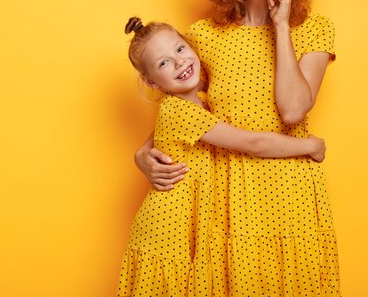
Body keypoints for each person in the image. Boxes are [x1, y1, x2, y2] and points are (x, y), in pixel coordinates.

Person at [133, 0, 340, 296]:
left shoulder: (314, 29)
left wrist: (281, 25)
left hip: (290, 189)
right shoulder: (205, 36)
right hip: (226, 197)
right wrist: (142, 154)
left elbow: (294, 109)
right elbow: (187, 110)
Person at [118, 16, 328, 297]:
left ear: (191, 47)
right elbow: (252, 142)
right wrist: (310, 146)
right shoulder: (179, 111)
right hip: (171, 231)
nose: (179, 62)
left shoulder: (203, 103)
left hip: (195, 225)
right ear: (151, 81)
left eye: (180, 49)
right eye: (163, 63)